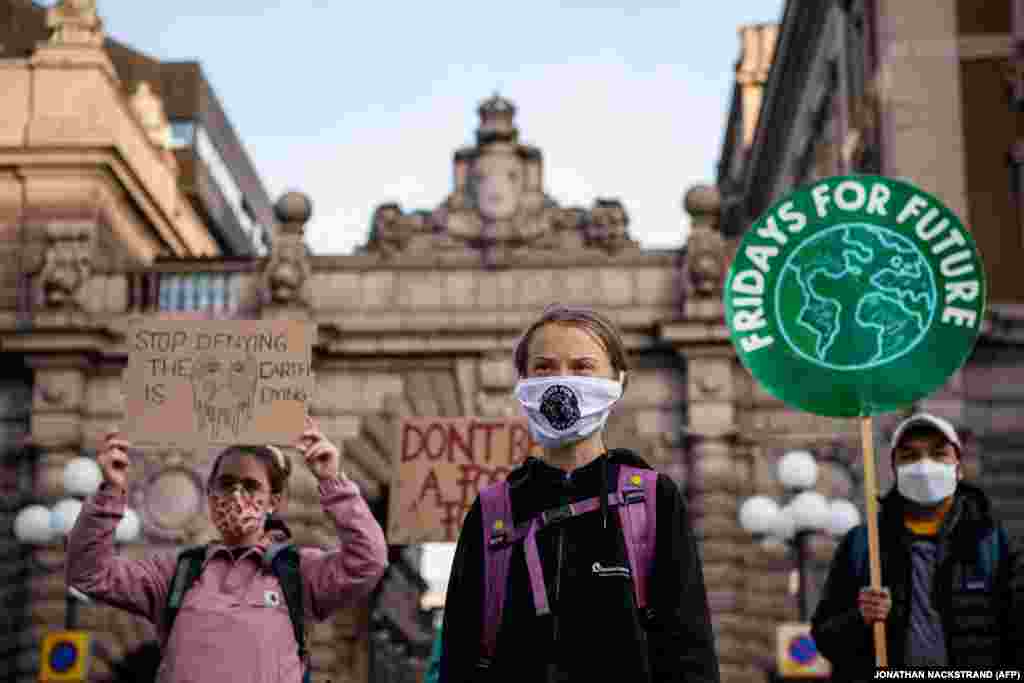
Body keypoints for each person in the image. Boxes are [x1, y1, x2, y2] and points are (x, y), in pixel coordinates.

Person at [439, 304, 719, 682]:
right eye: (544, 367)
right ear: (523, 381)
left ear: (618, 381)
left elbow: (690, 652)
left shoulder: (653, 501)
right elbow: (460, 658)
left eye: (583, 366)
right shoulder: (493, 512)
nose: (562, 380)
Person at [66, 416, 389, 683]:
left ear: (274, 501)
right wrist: (110, 491)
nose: (236, 495)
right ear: (210, 494)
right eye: (225, 484)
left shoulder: (300, 572)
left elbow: (369, 561)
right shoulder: (175, 572)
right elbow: (88, 575)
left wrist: (333, 481)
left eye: (250, 486)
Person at [811, 413, 1023, 678]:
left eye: (938, 454)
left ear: (958, 468)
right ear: (895, 470)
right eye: (909, 456)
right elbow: (825, 638)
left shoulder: (994, 542)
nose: (924, 466)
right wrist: (860, 618)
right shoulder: (864, 544)